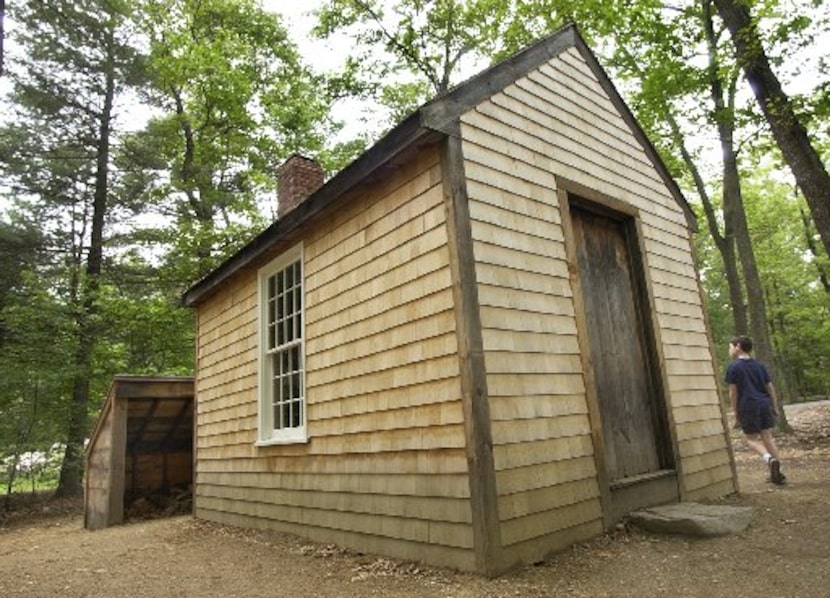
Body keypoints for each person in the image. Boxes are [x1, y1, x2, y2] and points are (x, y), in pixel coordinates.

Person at [725, 335, 786, 484]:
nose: (730, 350)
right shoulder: (760, 365)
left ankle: (769, 459)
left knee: (751, 440)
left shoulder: (733, 367)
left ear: (738, 347)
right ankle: (778, 473)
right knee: (768, 437)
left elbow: (733, 392)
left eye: (730, 347)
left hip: (747, 406)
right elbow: (769, 387)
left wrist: (735, 412)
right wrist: (774, 406)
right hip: (764, 404)